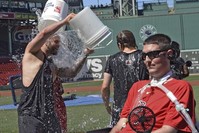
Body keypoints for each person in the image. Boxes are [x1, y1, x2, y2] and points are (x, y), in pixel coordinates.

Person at [17, 13, 94, 133]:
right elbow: (43, 33)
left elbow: (72, 72)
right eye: (56, 41)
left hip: (49, 114)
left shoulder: (52, 64)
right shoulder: (31, 55)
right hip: (30, 115)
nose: (59, 45)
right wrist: (64, 22)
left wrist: (85, 54)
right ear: (47, 39)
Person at [110, 33, 197, 133]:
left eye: (152, 55)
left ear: (169, 54)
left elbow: (168, 130)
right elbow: (121, 123)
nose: (147, 60)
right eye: (144, 56)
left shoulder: (180, 87)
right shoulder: (137, 87)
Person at [101, 30, 149, 127]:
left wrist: (107, 105)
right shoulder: (143, 56)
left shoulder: (112, 59)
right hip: (142, 102)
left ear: (119, 44)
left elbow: (105, 87)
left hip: (120, 106)